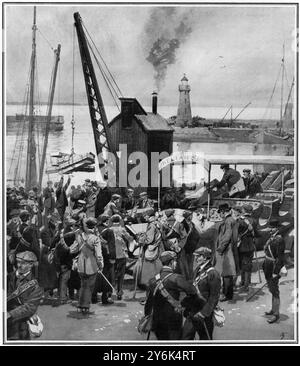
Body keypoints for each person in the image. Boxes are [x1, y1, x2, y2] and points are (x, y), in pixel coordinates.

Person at [144, 251, 198, 340]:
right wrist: (184, 305)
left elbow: (148, 304)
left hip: (157, 321)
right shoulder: (177, 278)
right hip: (174, 320)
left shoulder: (152, 281)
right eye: (175, 261)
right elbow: (193, 291)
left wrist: (148, 316)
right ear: (172, 262)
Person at [182, 247, 221, 340]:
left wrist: (204, 313)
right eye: (196, 256)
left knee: (205, 339)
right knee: (185, 338)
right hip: (192, 311)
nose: (196, 259)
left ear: (206, 257)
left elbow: (214, 297)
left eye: (199, 256)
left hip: (204, 314)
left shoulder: (213, 273)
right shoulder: (197, 270)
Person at [66, 217, 104, 313]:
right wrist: (100, 265)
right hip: (92, 265)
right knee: (89, 286)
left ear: (86, 226)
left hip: (81, 264)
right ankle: (85, 306)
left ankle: (80, 305)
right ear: (94, 227)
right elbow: (98, 255)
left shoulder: (79, 236)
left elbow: (72, 250)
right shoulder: (95, 239)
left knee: (83, 285)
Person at [7, 251, 43, 340]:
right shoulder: (8, 277)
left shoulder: (36, 285)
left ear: (31, 265)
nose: (19, 265)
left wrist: (9, 314)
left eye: (23, 263)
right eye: (18, 262)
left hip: (19, 325)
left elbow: (30, 307)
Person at [262, 219, 285, 324]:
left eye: (272, 228)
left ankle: (276, 314)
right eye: (269, 228)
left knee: (275, 291)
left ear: (277, 228)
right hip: (268, 266)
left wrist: (276, 272)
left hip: (273, 267)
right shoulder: (272, 237)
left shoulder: (279, 239)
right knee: (272, 289)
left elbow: (280, 258)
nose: (269, 229)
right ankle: (273, 309)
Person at [215, 203, 239, 301]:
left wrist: (220, 248)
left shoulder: (227, 221)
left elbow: (226, 237)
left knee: (226, 272)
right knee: (228, 272)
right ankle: (229, 294)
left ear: (223, 212)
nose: (219, 215)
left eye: (220, 212)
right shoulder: (232, 220)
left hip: (226, 250)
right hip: (231, 248)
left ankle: (226, 295)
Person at [92, 215, 116, 305]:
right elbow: (111, 246)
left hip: (95, 256)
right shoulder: (109, 231)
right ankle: (105, 298)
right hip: (106, 257)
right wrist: (113, 257)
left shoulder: (95, 230)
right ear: (106, 221)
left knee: (95, 276)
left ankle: (93, 297)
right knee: (106, 277)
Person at [110, 214, 134, 300]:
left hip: (111, 255)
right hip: (122, 255)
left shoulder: (109, 230)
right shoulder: (122, 229)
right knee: (121, 275)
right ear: (119, 221)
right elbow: (130, 239)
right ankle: (119, 292)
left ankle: (110, 291)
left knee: (111, 274)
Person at [138, 215, 164, 289]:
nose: (144, 217)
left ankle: (150, 285)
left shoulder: (151, 226)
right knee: (158, 267)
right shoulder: (158, 223)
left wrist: (141, 238)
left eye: (146, 216)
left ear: (150, 216)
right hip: (159, 247)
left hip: (152, 249)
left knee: (150, 269)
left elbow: (149, 240)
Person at [237, 204, 258, 292]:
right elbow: (256, 233)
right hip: (251, 246)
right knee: (248, 265)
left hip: (242, 246)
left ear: (244, 211)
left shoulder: (240, 221)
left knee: (243, 265)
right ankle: (245, 282)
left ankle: (245, 284)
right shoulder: (254, 220)